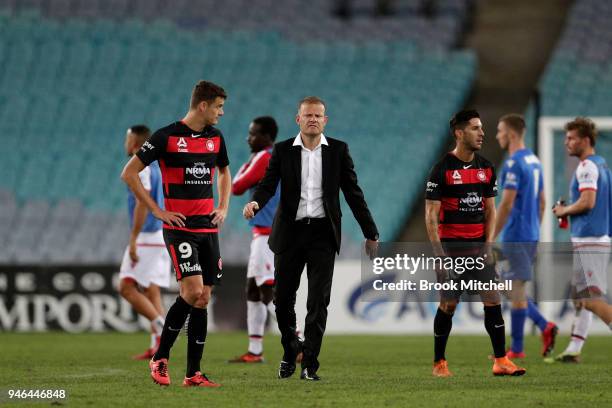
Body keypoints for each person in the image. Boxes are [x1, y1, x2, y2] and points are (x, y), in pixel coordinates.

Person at [243, 96, 379, 381]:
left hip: (322, 234)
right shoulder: (282, 151)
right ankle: (291, 349)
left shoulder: (338, 151)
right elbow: (268, 184)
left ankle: (310, 365)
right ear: (298, 119)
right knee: (281, 300)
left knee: (318, 302)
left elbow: (353, 193)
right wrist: (255, 202)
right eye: (308, 115)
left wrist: (370, 232)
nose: (313, 119)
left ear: (325, 120)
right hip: (289, 233)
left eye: (318, 115)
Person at [121, 80, 231, 387]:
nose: (221, 113)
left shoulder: (216, 138)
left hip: (208, 228)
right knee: (192, 292)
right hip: (179, 228)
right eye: (219, 107)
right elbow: (129, 173)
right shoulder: (167, 137)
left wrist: (223, 206)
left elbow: (224, 172)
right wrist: (157, 210)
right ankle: (160, 357)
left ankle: (193, 373)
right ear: (203, 105)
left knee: (203, 298)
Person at [425, 109, 525, 377]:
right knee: (449, 304)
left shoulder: (486, 168)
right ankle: (439, 364)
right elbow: (431, 215)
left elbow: (490, 210)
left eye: (481, 128)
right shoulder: (441, 169)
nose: (482, 133)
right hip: (451, 249)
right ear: (460, 133)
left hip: (479, 249)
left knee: (492, 300)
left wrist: (488, 245)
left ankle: (501, 361)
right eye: (475, 128)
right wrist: (439, 254)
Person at [493, 114, 558, 359]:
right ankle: (539, 329)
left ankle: (524, 344)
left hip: (515, 235)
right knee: (510, 288)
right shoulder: (534, 161)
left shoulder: (513, 164)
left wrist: (491, 235)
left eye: (500, 131)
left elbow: (506, 204)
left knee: (513, 289)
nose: (497, 136)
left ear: (510, 134)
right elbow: (542, 203)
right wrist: (535, 230)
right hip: (530, 233)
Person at [552, 117, 612, 362]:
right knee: (579, 296)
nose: (566, 142)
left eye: (571, 138)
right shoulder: (602, 165)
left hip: (591, 239)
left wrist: (563, 211)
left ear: (585, 140)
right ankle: (574, 349)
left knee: (590, 299)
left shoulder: (587, 166)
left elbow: (588, 201)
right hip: (593, 238)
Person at [229, 116, 287, 363]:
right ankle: (255, 350)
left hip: (268, 235)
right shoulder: (264, 156)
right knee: (254, 290)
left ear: (265, 137)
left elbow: (237, 186)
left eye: (252, 134)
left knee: (267, 290)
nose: (248, 138)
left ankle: (299, 342)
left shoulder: (265, 157)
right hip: (261, 234)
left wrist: (248, 162)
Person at [118, 125, 170, 360]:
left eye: (128, 138)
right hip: (160, 235)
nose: (125, 143)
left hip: (148, 235)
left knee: (126, 286)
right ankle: (158, 345)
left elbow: (142, 201)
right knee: (152, 291)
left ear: (136, 142)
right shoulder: (156, 165)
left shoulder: (141, 166)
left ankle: (162, 327)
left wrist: (133, 238)